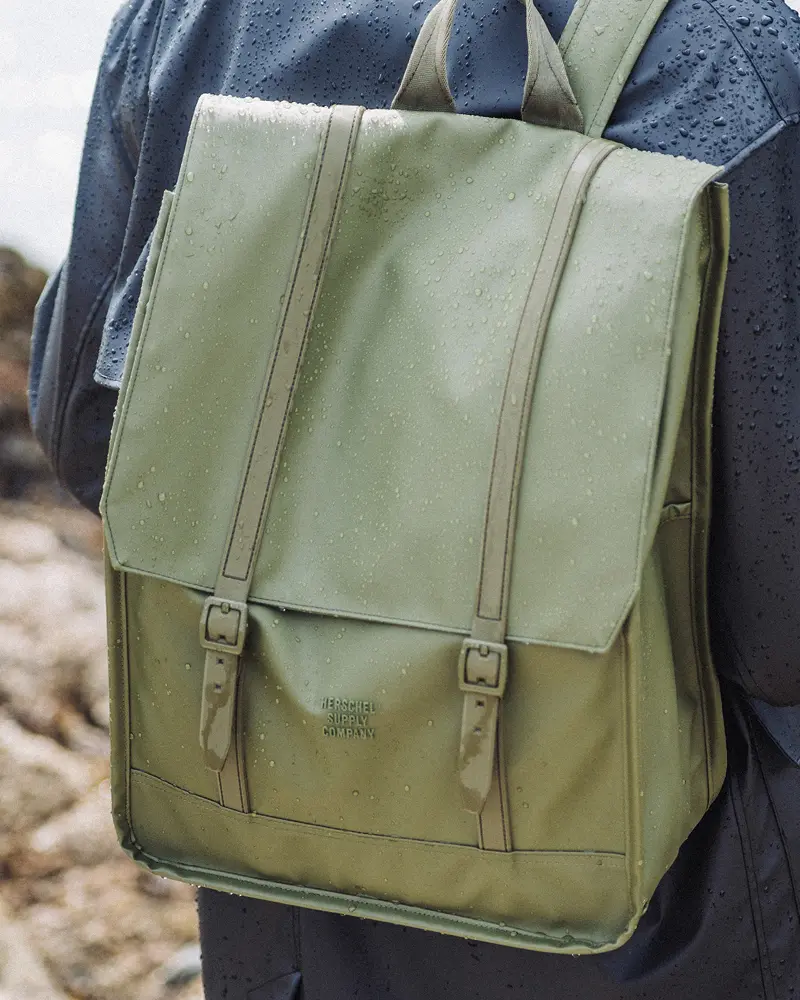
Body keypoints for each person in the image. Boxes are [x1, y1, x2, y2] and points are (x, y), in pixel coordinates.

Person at [30, 0, 800, 996]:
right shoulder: (724, 52)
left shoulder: (191, 18)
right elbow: (778, 621)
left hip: (282, 861)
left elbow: (94, 432)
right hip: (656, 921)